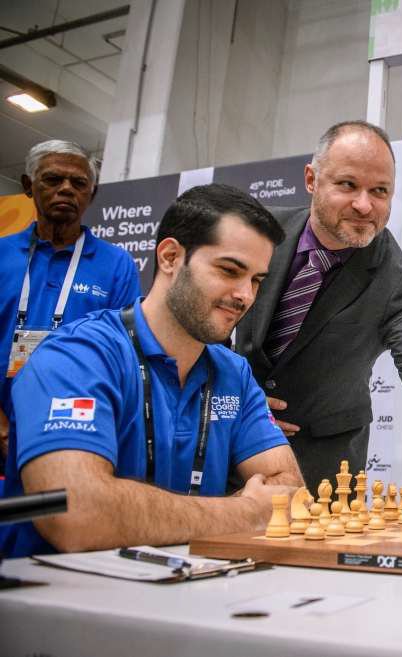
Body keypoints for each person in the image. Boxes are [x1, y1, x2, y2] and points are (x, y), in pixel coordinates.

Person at [0, 184, 303, 557]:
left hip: (182, 595)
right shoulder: (78, 356)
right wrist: (242, 512)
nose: (246, 295)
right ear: (171, 257)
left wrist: (135, 511)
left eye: (256, 280)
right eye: (229, 270)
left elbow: (289, 490)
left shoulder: (234, 374)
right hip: (53, 603)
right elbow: (72, 511)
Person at [236, 120, 402, 514]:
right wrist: (236, 397)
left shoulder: (400, 277)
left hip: (323, 467)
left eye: (380, 191)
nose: (364, 205)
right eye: (347, 185)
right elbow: (210, 324)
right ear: (311, 179)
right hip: (231, 441)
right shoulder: (258, 232)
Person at [0, 140, 141, 461]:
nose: (66, 189)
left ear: (91, 194)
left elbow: (122, 354)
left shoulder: (117, 264)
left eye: (79, 183)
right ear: (27, 186)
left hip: (72, 429)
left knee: (53, 509)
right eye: (52, 180)